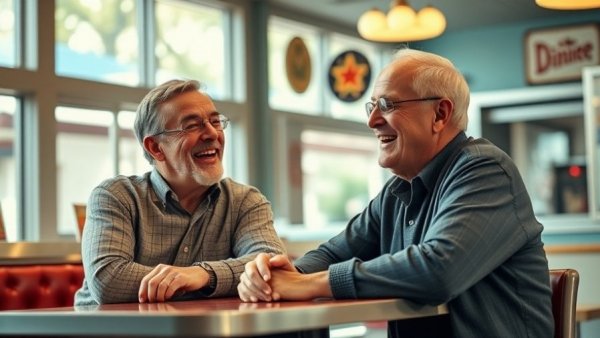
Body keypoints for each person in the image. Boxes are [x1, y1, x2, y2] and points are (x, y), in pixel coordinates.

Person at [237, 48, 554, 337]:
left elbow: (438, 270)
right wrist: (274, 276)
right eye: (372, 106)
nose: (372, 121)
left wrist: (309, 284)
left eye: (387, 105)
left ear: (440, 114)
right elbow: (333, 254)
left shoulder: (484, 170)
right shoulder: (397, 190)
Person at [75, 79, 286, 306]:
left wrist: (203, 275)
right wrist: (201, 282)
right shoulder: (116, 196)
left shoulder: (245, 201)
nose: (212, 134)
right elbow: (109, 281)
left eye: (215, 121)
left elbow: (272, 265)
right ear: (155, 148)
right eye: (192, 126)